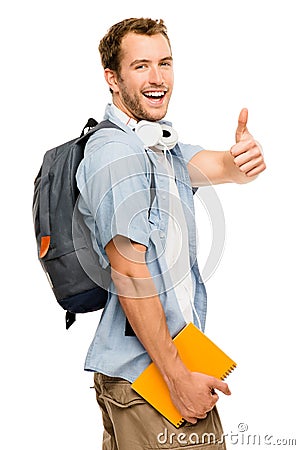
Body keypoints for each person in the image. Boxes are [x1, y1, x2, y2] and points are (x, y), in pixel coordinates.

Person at [76, 17, 266, 450]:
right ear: (112, 78)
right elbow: (129, 273)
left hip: (150, 374)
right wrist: (177, 379)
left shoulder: (160, 148)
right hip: (152, 380)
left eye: (165, 63)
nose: (158, 78)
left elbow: (220, 166)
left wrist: (244, 160)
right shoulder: (115, 154)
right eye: (140, 66)